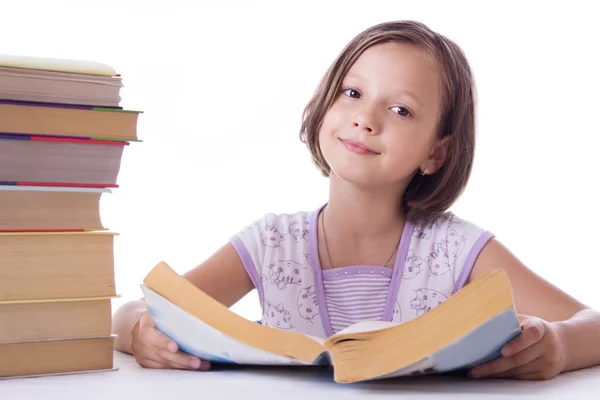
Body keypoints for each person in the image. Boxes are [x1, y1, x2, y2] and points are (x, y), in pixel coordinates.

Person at [112, 20, 600, 380]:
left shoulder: (458, 251)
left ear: (437, 151)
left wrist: (557, 344)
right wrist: (138, 332)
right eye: (352, 92)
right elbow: (138, 310)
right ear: (325, 103)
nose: (366, 119)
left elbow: (593, 325)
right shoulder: (270, 243)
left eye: (401, 109)